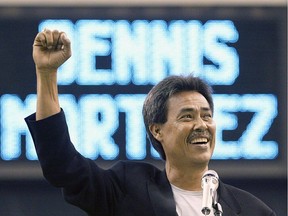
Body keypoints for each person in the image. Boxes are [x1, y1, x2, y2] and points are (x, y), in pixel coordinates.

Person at [25, 29, 276, 216]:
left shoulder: (252, 209)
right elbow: (62, 166)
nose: (201, 125)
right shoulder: (128, 187)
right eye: (187, 116)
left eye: (206, 115)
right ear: (157, 130)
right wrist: (47, 74)